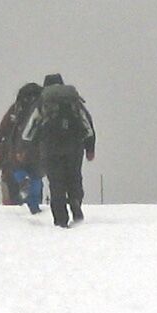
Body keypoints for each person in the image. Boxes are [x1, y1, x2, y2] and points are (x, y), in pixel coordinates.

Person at [31, 73, 95, 228]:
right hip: (74, 146)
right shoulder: (73, 99)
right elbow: (87, 125)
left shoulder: (44, 101)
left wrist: (31, 146)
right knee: (74, 177)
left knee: (56, 182)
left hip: (50, 147)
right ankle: (75, 200)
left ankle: (61, 219)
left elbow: (31, 128)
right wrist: (90, 148)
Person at [0, 83, 43, 215]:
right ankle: (35, 205)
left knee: (16, 168)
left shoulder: (16, 108)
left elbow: (4, 126)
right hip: (37, 147)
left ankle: (22, 180)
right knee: (36, 175)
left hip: (17, 145)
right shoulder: (42, 107)